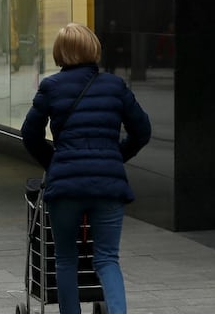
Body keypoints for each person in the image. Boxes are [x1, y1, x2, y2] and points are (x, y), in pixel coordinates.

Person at [20, 23, 151, 314]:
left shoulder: (51, 86)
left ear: (60, 52)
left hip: (65, 185)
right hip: (108, 185)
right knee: (106, 258)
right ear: (93, 49)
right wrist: (114, 158)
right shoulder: (114, 86)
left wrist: (54, 163)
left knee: (66, 259)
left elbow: (29, 134)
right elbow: (142, 131)